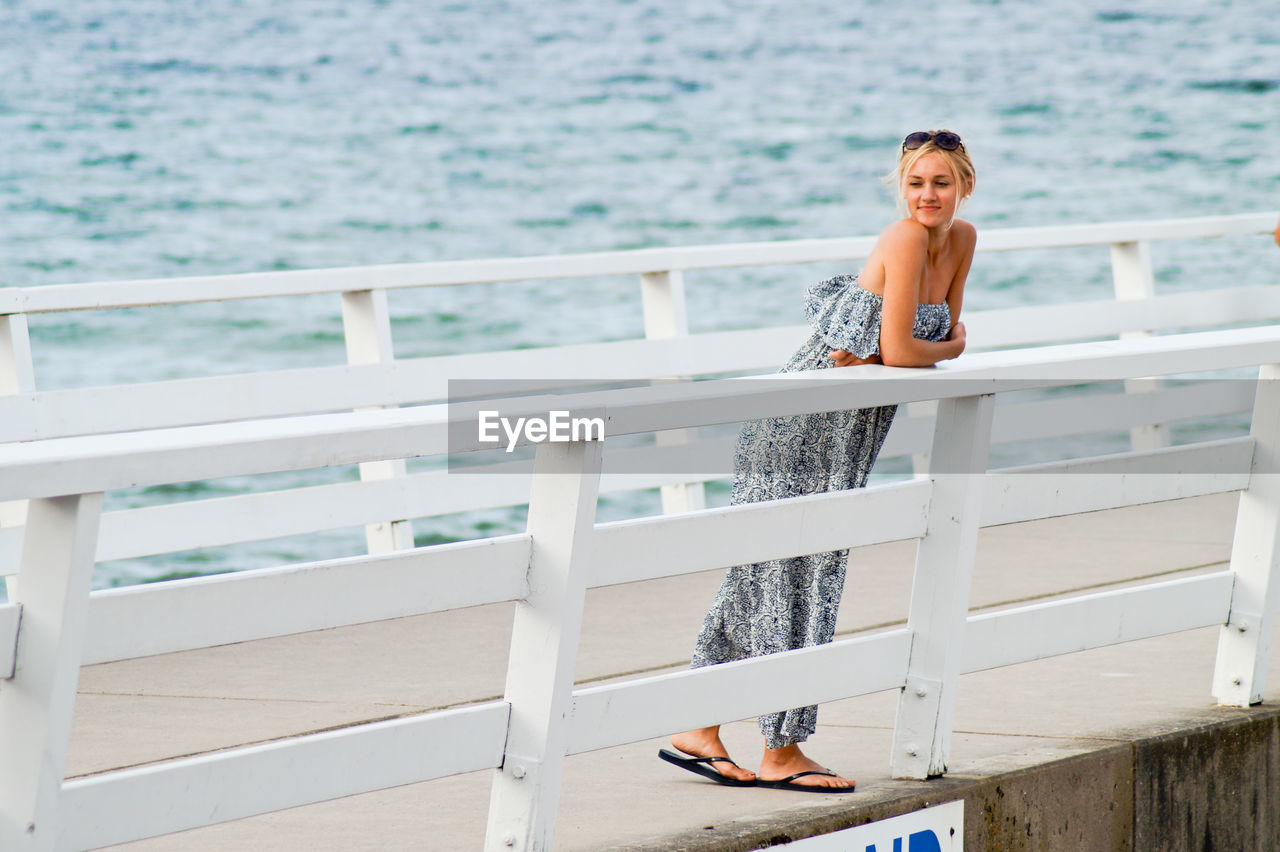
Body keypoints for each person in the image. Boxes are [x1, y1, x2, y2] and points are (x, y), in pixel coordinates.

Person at [658, 130, 977, 792]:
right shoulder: (905, 239)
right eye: (915, 182)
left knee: (770, 573)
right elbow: (920, 345)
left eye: (940, 183)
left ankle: (699, 723)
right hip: (801, 422)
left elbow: (914, 346)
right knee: (798, 576)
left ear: (965, 186)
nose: (927, 195)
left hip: (846, 432)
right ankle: (781, 749)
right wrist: (942, 350)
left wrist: (921, 351)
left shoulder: (963, 241)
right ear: (900, 186)